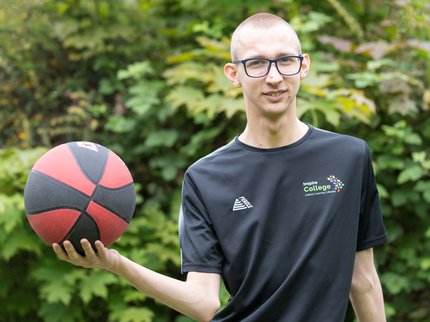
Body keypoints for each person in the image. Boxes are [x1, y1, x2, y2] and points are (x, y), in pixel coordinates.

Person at [53, 12, 388, 322]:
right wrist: (116, 264)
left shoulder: (349, 158)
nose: (274, 77)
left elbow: (363, 279)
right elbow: (203, 302)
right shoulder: (205, 179)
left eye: (285, 61)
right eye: (256, 63)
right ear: (234, 74)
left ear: (303, 66)